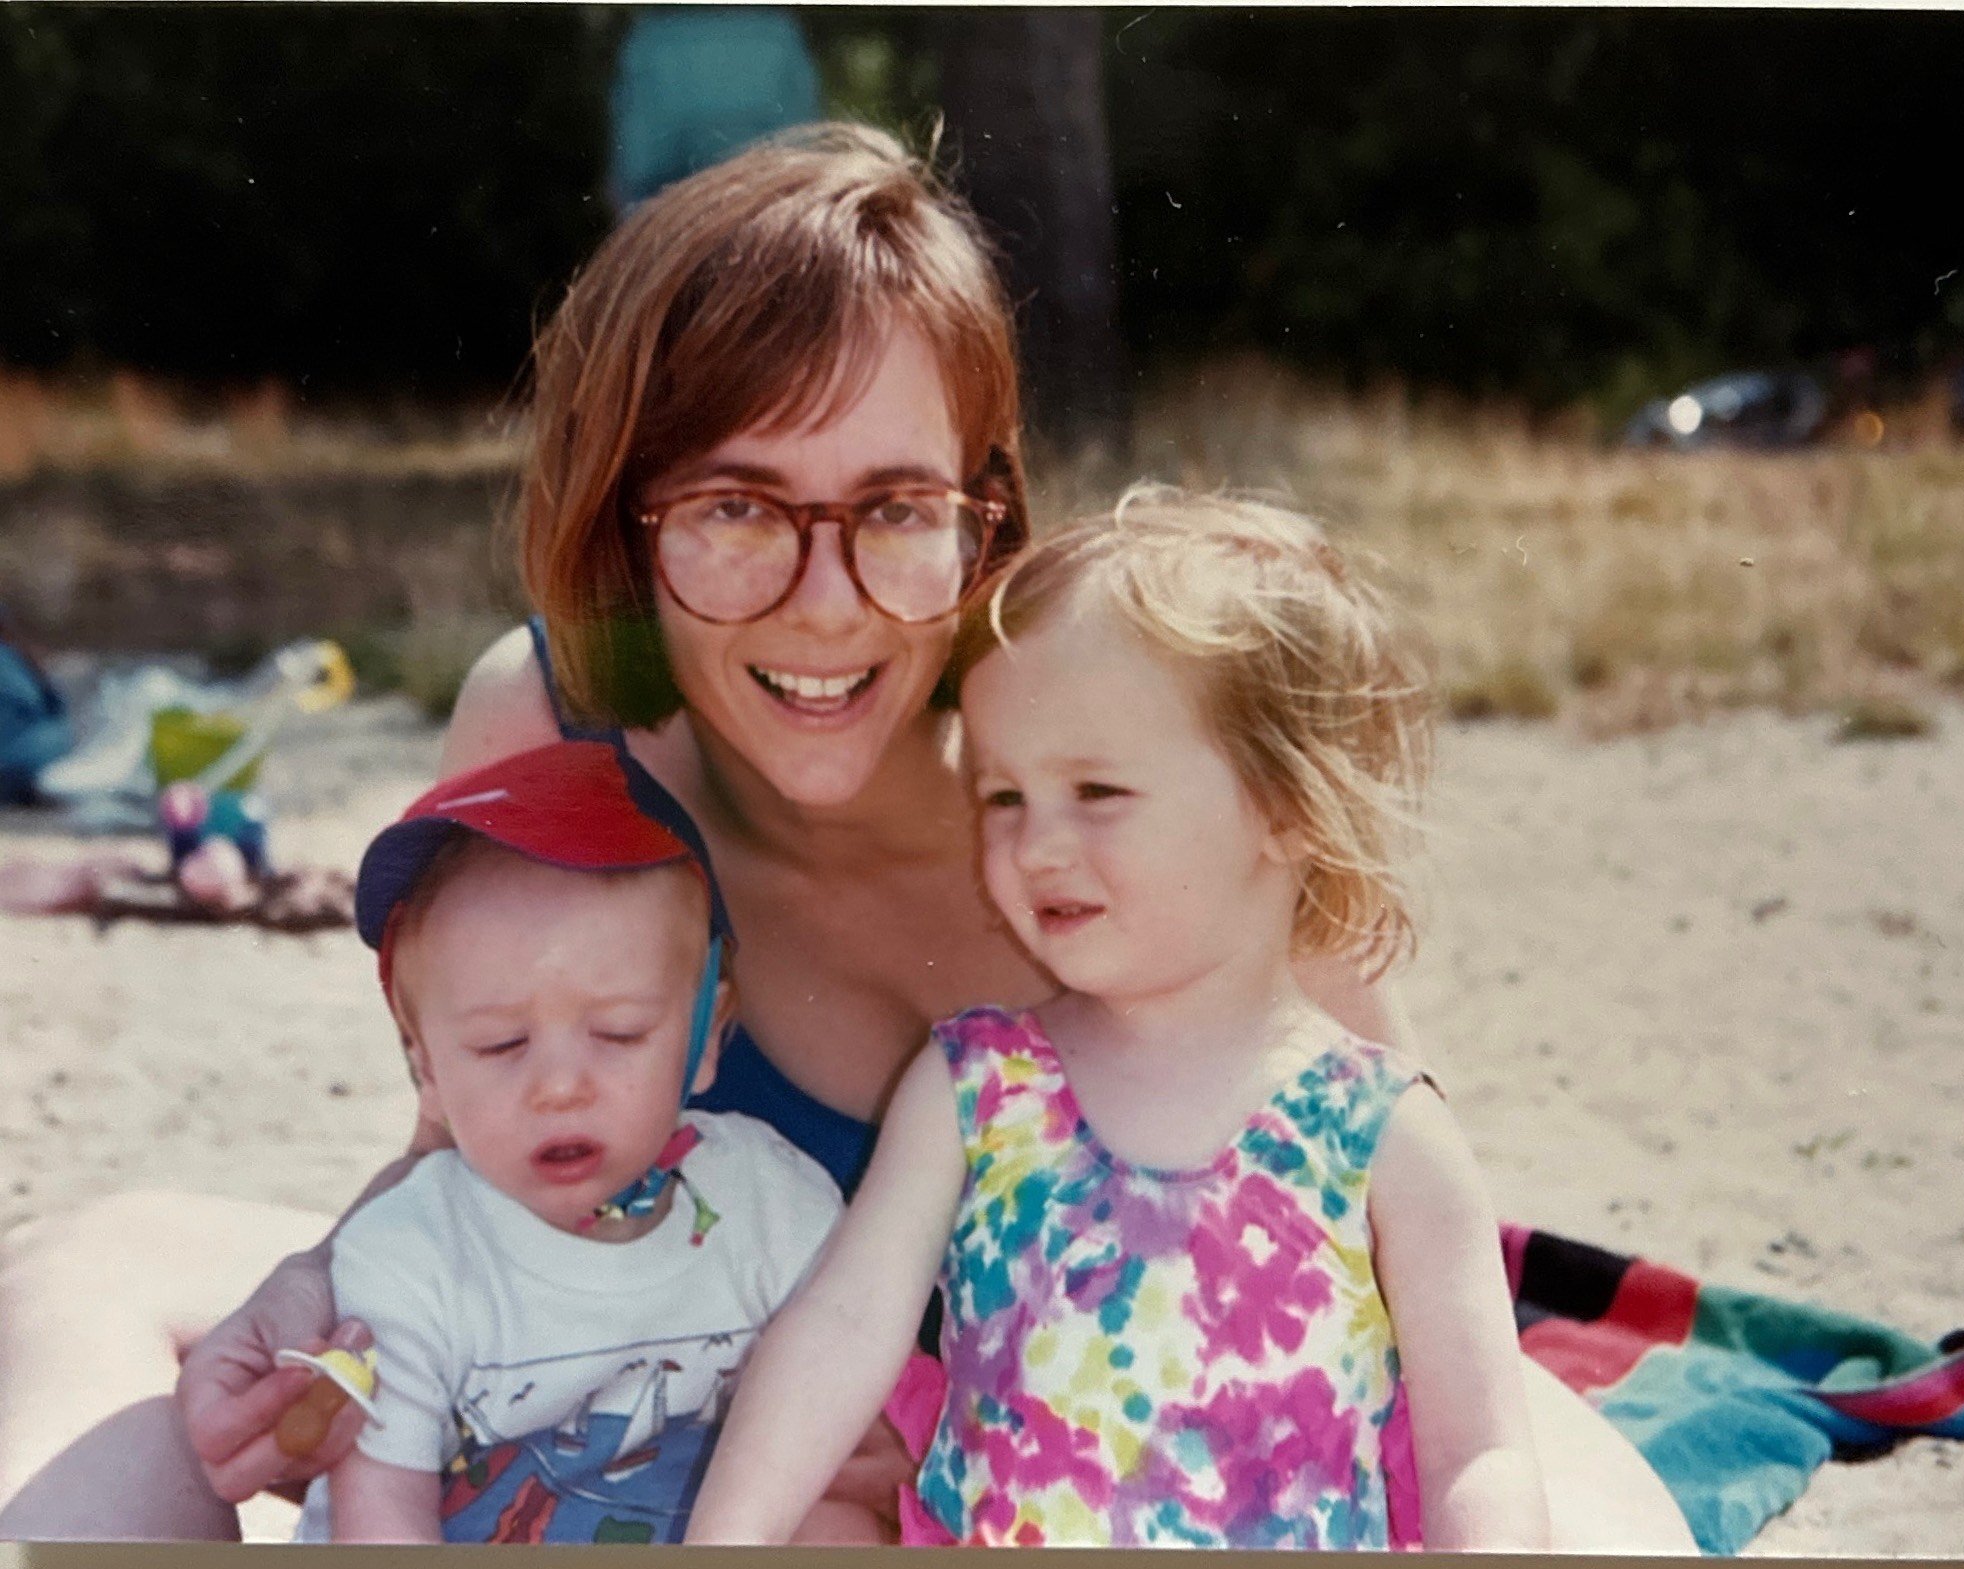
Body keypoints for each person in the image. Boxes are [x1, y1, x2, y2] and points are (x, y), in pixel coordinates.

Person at [0, 121, 1694, 1551]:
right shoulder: (559, 730)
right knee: (86, 1271)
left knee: (1602, 1520)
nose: (825, 608)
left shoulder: (1137, 758)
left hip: (1125, 1448)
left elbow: (1368, 1222)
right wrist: (321, 1296)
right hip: (677, 1391)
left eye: (895, 511)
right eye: (738, 509)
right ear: (622, 516)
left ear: (985, 510)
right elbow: (478, 1143)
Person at [688, 493, 1549, 1549]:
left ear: (1282, 806)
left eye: (1094, 791)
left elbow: (1481, 1451)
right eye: (1002, 797)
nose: (1035, 846)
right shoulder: (977, 1087)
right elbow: (841, 1330)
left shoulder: (1379, 1129)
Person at [303, 739, 837, 1543]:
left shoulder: (773, 1206)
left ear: (709, 1036)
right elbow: (382, 1522)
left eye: (619, 1033)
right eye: (499, 1046)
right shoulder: (408, 1258)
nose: (559, 1086)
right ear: (428, 1069)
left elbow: (862, 1439)